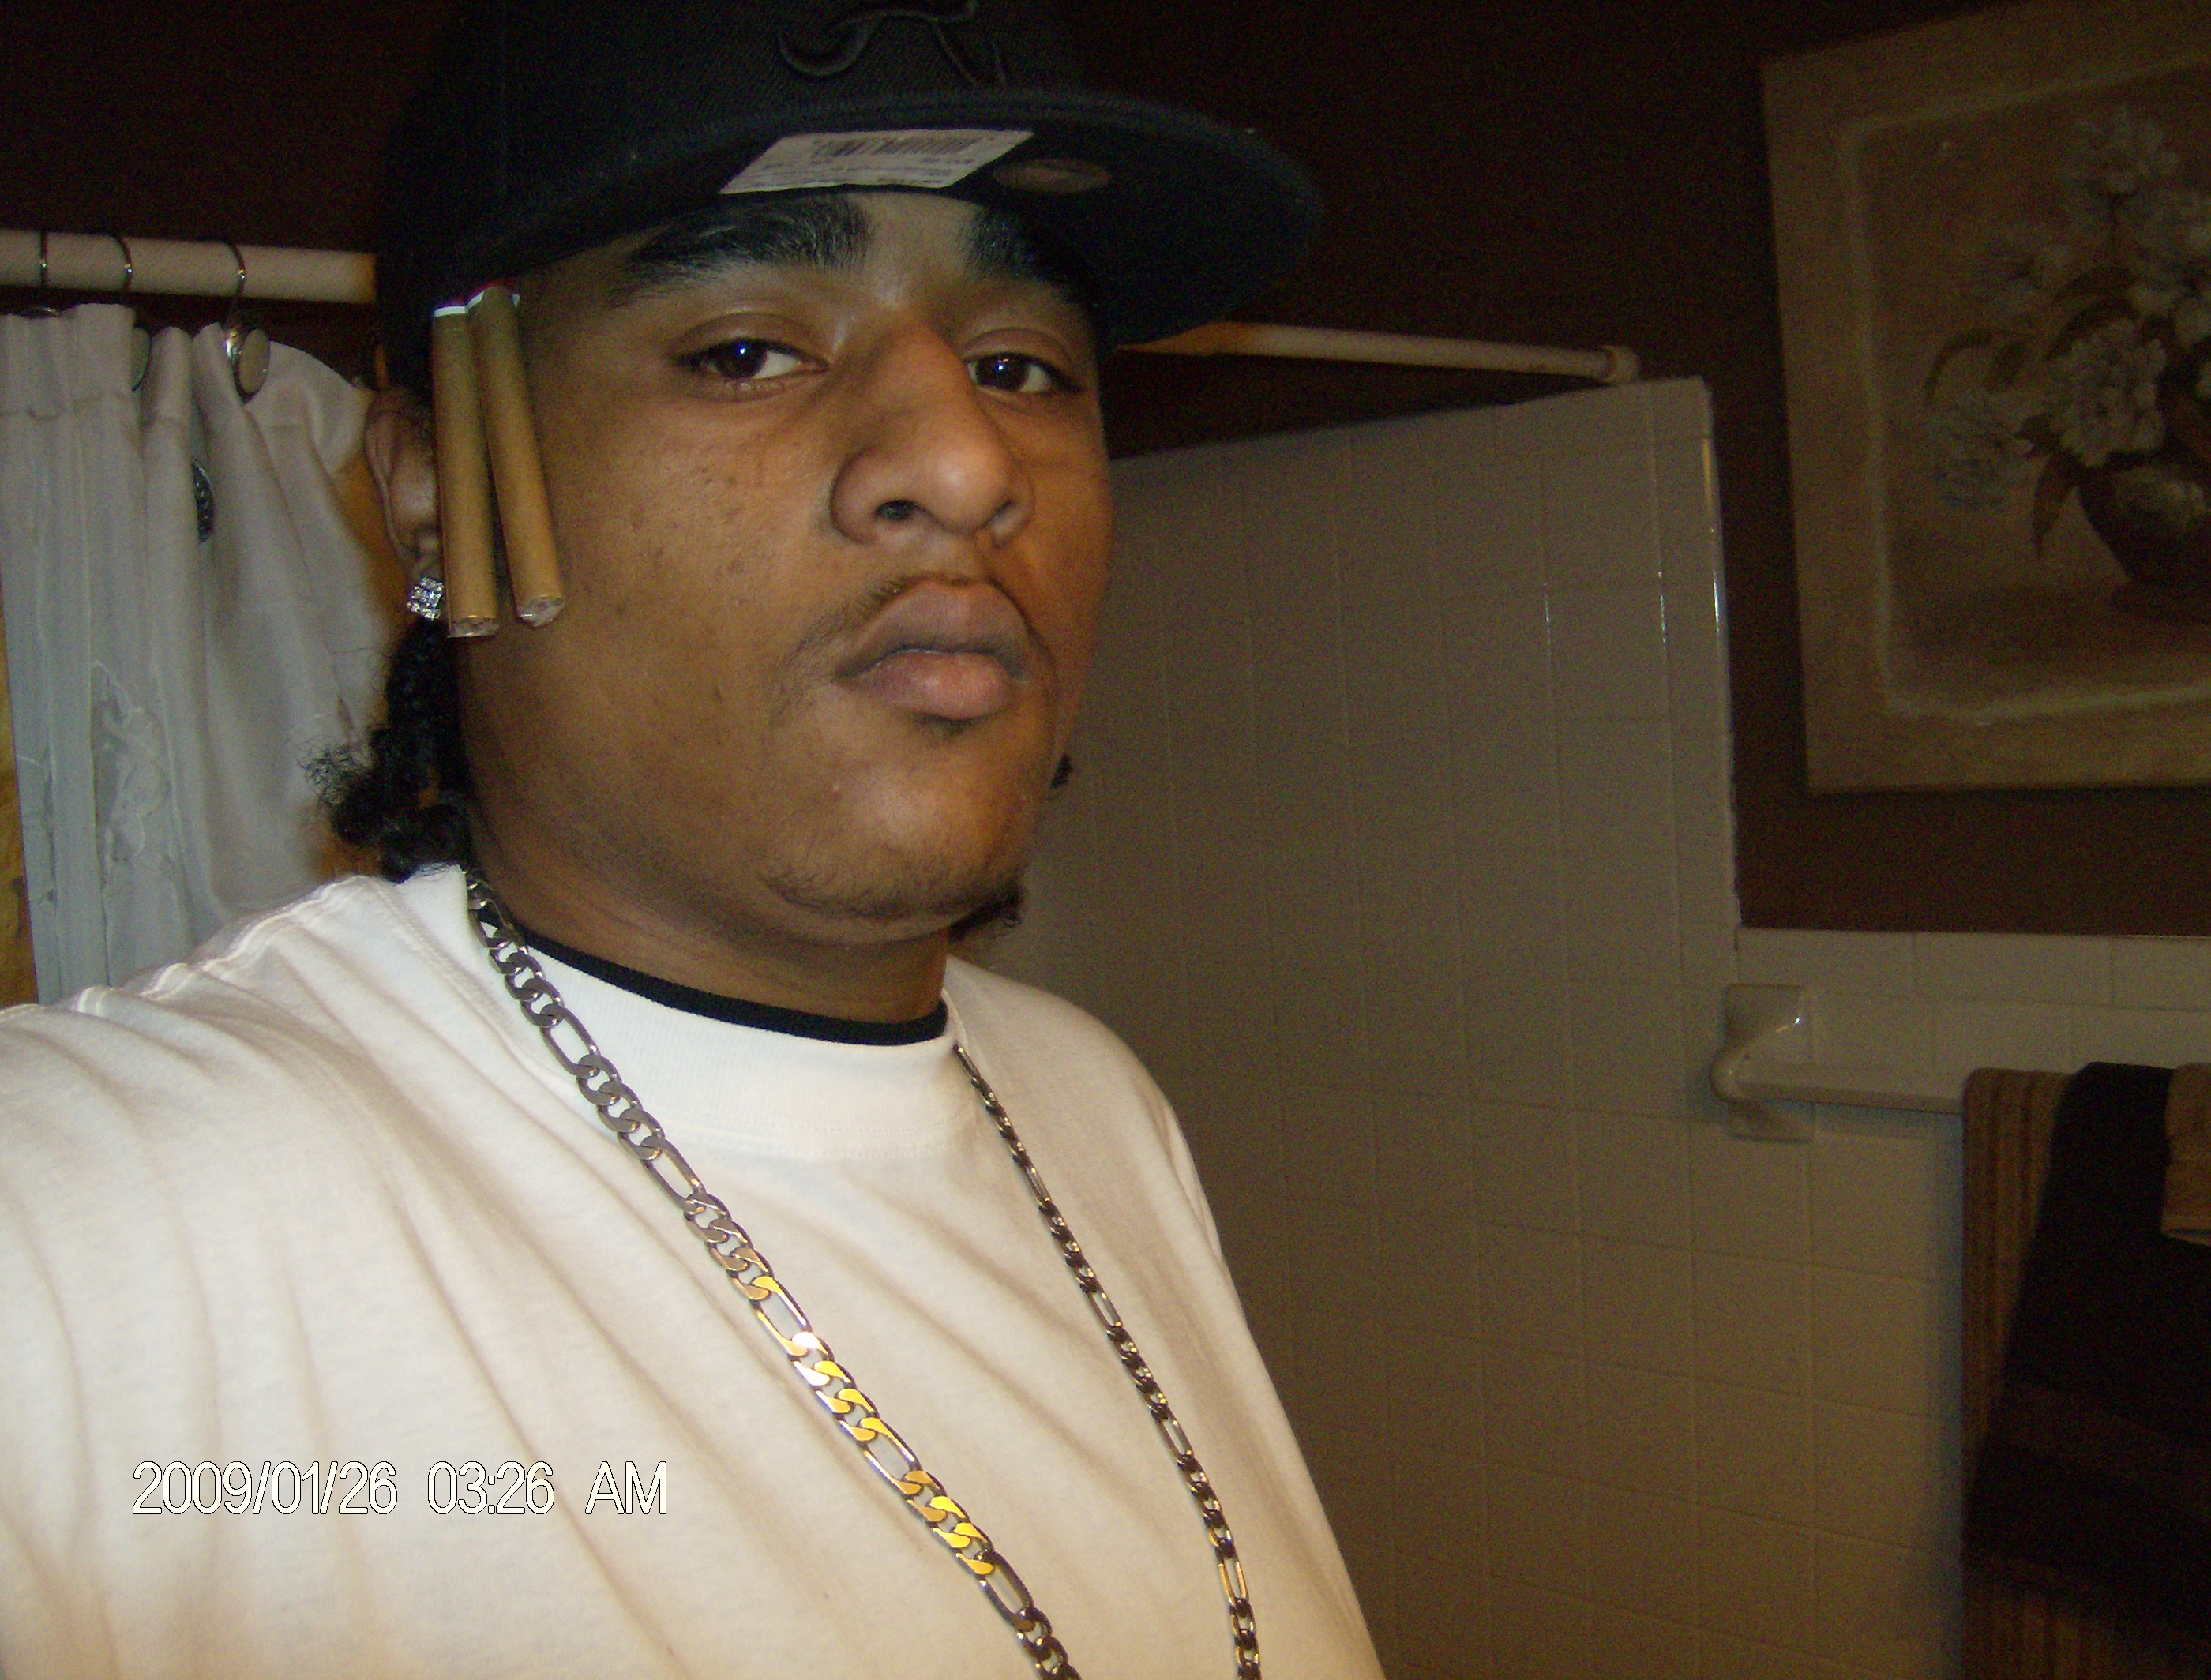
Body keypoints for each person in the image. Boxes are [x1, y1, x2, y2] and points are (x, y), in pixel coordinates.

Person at [0, 2, 1385, 1677]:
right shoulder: (86, 1227)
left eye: (1020, 367)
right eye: (745, 352)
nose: (964, 463)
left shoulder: (1095, 1103)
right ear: (429, 479)